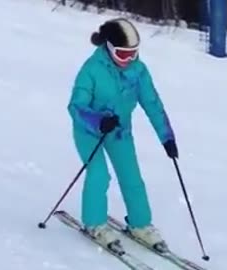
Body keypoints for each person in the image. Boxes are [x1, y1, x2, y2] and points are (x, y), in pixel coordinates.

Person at [67, 17, 178, 250]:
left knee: (132, 177)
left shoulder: (139, 71)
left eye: (133, 53)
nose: (128, 60)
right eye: (122, 54)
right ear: (108, 47)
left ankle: (140, 224)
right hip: (89, 132)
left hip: (119, 132)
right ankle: (94, 223)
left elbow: (152, 104)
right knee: (99, 174)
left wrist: (166, 137)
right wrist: (98, 121)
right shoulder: (92, 70)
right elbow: (76, 107)